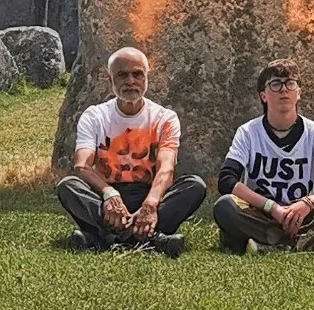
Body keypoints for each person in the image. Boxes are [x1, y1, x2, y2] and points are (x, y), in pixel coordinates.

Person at [58, 47, 207, 256]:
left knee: (194, 185)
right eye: (122, 75)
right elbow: (82, 165)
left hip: (148, 192)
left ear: (147, 77)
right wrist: (109, 194)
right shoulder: (94, 116)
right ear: (109, 78)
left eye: (137, 74)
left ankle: (104, 238)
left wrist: (151, 204)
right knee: (69, 186)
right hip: (107, 194)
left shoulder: (165, 118)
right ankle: (152, 239)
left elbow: (166, 168)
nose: (130, 81)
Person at [213, 61, 314, 253]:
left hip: (304, 215)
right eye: (275, 84)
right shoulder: (248, 132)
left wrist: (307, 204)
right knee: (225, 206)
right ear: (264, 96)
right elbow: (227, 181)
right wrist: (273, 208)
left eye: (290, 83)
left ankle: (273, 242)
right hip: (263, 214)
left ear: (298, 93)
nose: (283, 90)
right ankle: (309, 241)